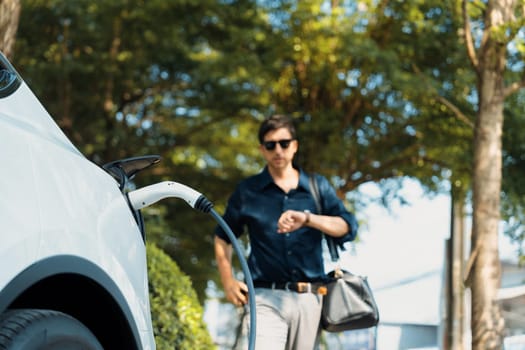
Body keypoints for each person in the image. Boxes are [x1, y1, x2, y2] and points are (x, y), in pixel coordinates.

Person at [214, 114, 358, 350]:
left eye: (284, 143)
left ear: (295, 146)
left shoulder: (317, 186)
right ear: (262, 149)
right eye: (271, 145)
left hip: (310, 298)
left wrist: (309, 219)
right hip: (264, 298)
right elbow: (223, 236)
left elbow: (347, 227)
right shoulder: (248, 191)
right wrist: (227, 279)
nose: (278, 150)